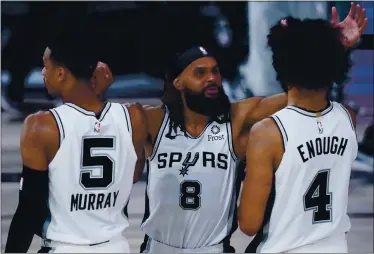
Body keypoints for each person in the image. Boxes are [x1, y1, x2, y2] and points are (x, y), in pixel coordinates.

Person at [91, 5, 366, 252]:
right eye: (200, 73)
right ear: (178, 83)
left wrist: (327, 50)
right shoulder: (152, 120)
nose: (212, 79)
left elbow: (303, 89)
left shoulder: (235, 118)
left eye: (215, 72)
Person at [4, 29, 147, 253]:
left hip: (64, 247)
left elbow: (29, 211)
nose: (43, 72)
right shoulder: (134, 117)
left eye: (46, 65)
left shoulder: (41, 125)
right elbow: (133, 175)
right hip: (115, 247)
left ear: (61, 73)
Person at [238, 16, 361, 253]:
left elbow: (249, 224)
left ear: (280, 64)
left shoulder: (267, 133)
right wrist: (333, 49)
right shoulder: (347, 118)